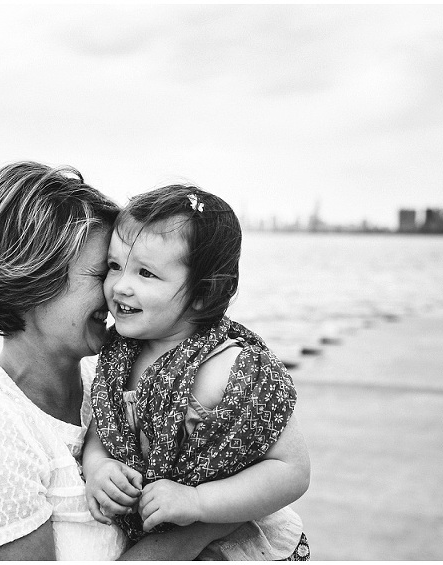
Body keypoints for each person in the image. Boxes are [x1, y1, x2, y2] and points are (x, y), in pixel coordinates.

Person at [0, 162, 240, 560]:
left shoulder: (116, 377)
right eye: (104, 270)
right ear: (33, 283)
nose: (117, 291)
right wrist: (213, 521)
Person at [84, 184, 311, 560]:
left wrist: (198, 501)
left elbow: (292, 470)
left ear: (203, 293)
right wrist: (98, 466)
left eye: (146, 273)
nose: (120, 286)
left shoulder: (231, 368)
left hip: (233, 542)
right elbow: (104, 426)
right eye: (113, 266)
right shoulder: (119, 354)